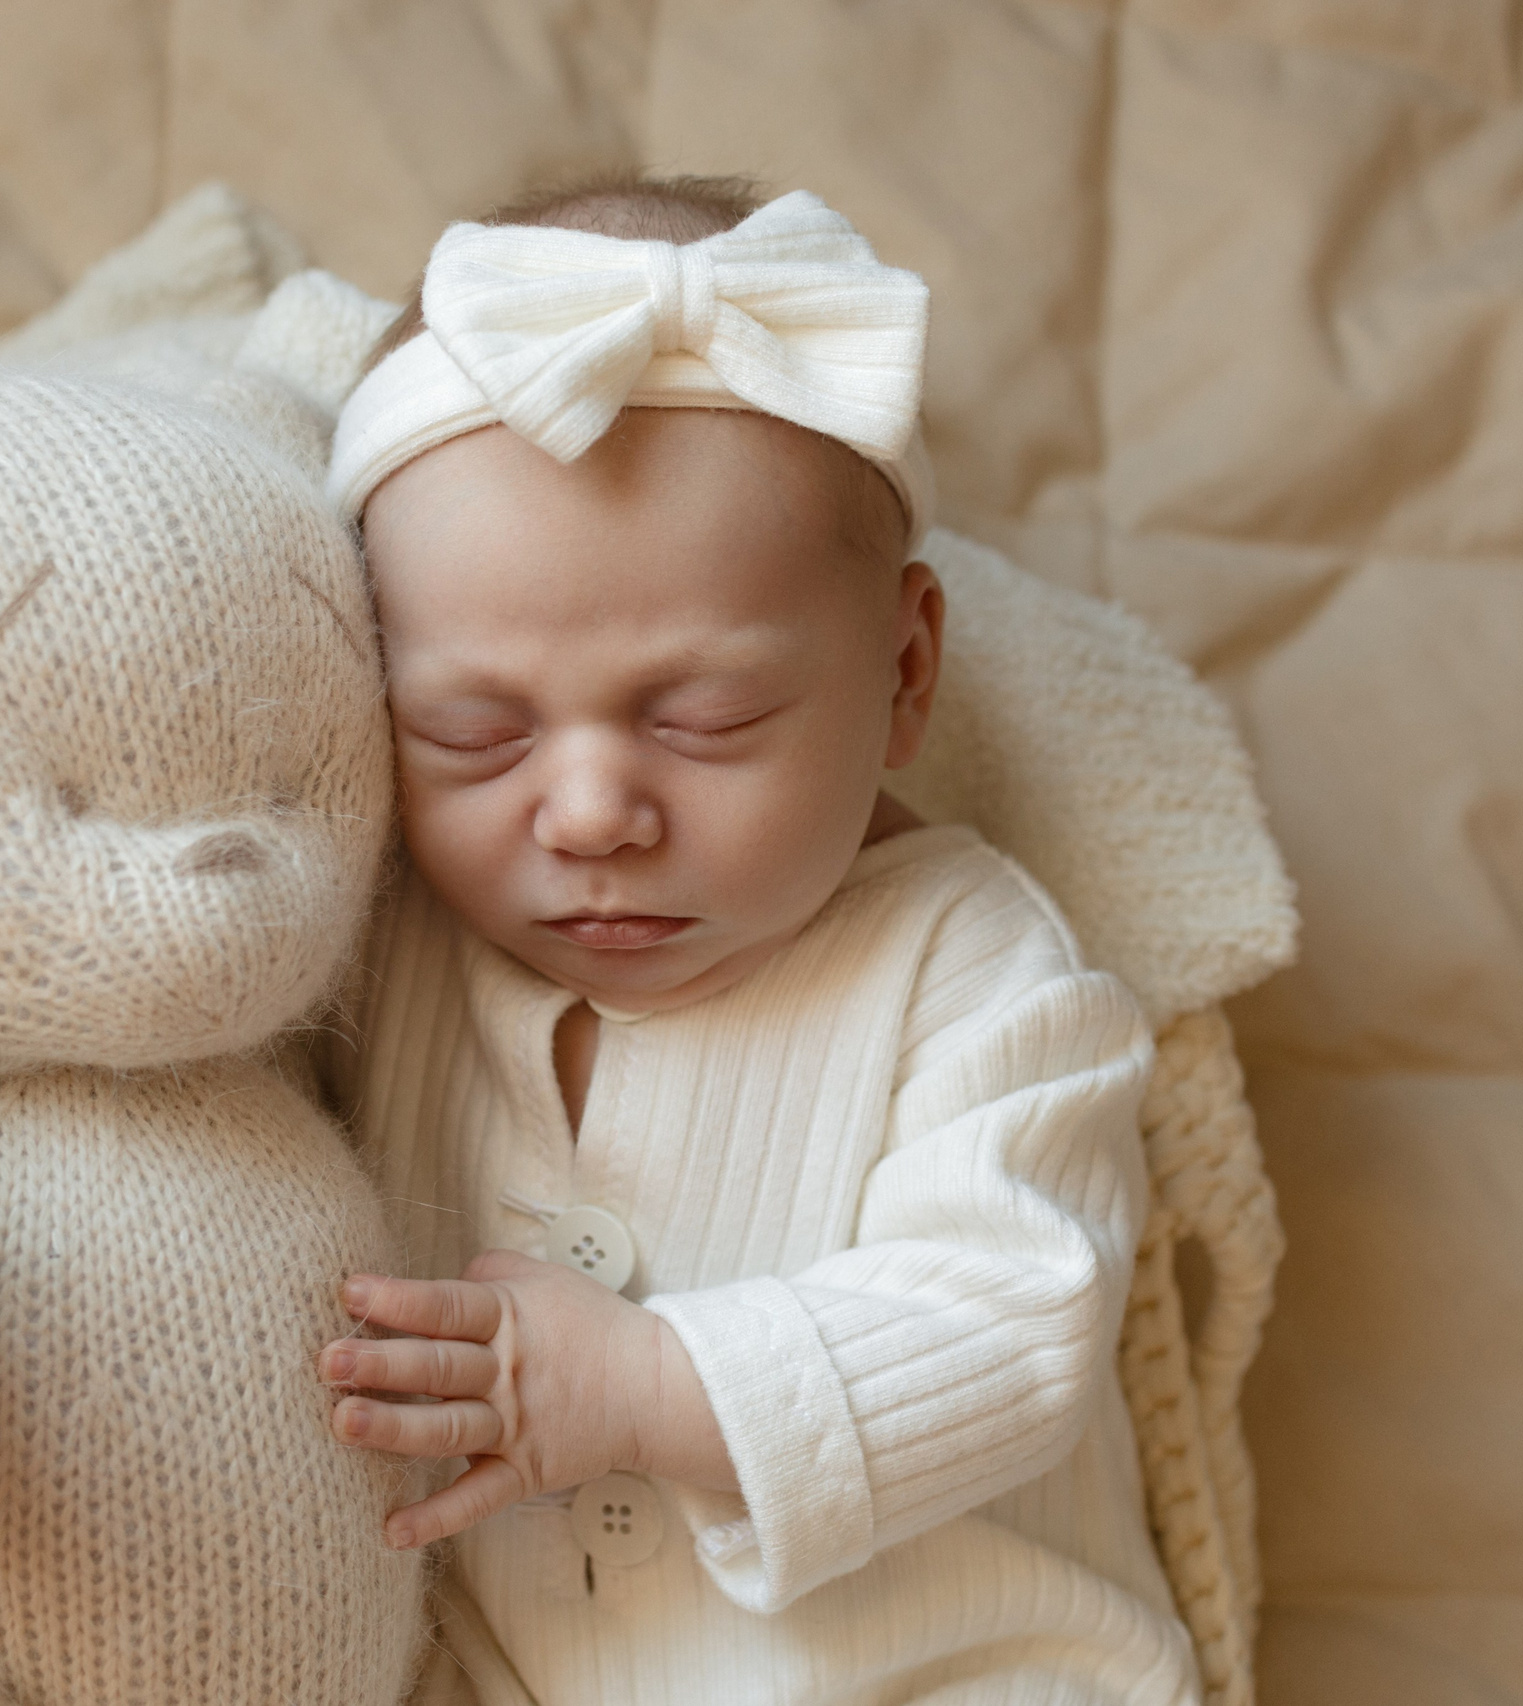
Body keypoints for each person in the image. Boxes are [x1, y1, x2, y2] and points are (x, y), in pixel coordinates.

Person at [315, 175, 1204, 1704]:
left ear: (904, 671)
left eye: (708, 719)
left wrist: (650, 1386)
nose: (590, 812)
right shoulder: (382, 937)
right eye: (473, 734)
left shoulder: (978, 975)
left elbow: (1017, 1324)